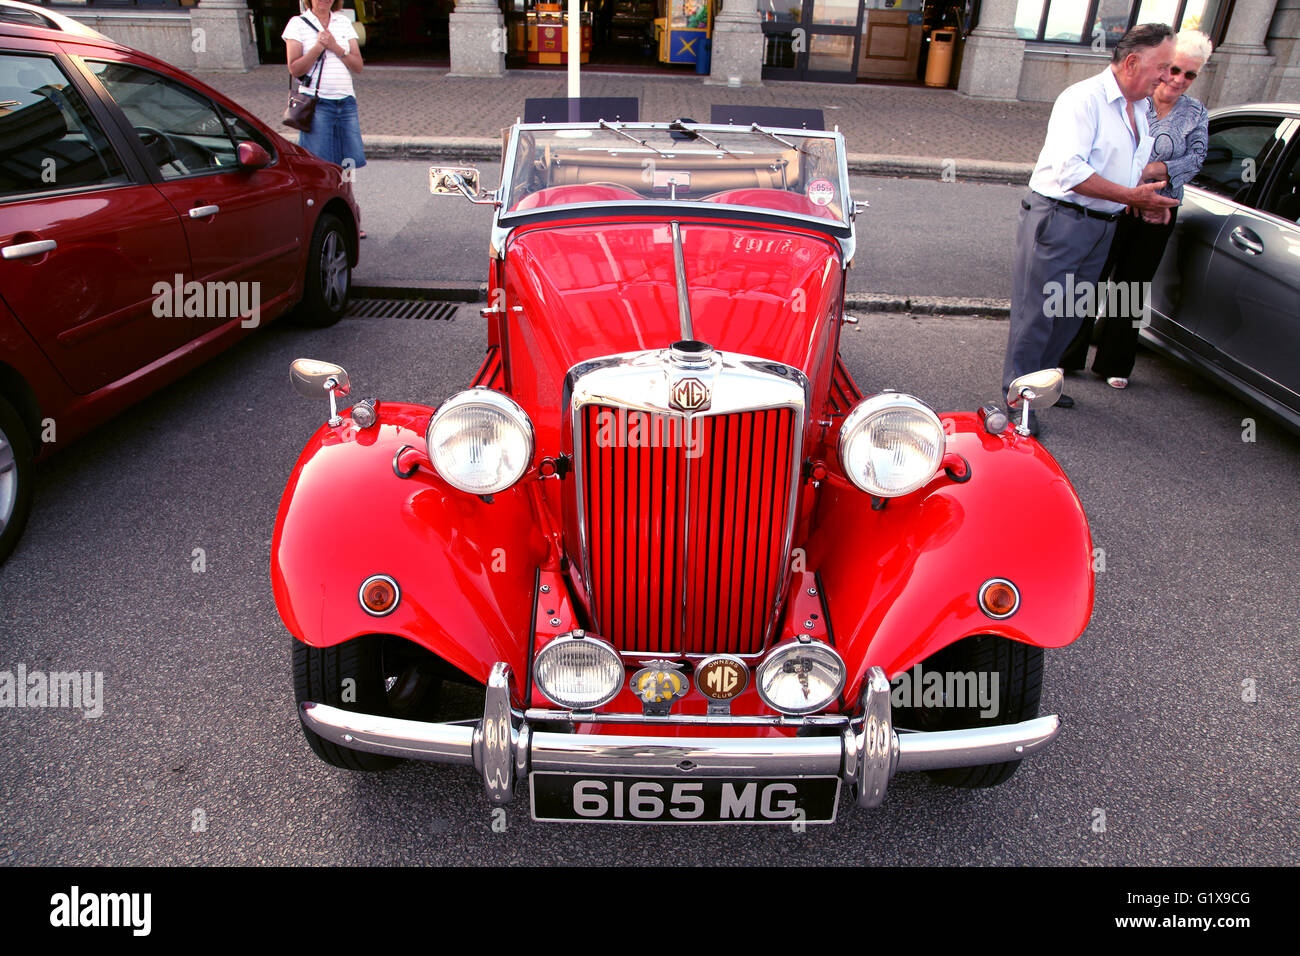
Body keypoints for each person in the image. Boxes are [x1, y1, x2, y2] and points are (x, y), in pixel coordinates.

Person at [1002, 23, 1179, 435]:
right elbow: (1072, 172)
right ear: (1133, 61)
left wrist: (1146, 201)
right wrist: (1134, 198)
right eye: (1163, 67)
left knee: (1068, 315)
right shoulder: (1083, 99)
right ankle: (1017, 402)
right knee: (1039, 316)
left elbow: (1123, 166)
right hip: (1060, 218)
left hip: (1102, 224)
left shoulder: (1137, 107)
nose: (1167, 77)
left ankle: (1040, 387)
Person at [1059, 30, 1213, 389]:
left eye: (1189, 75)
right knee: (1093, 279)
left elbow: (1196, 158)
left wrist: (1154, 171)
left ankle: (1114, 361)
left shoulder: (1195, 113)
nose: (1177, 80)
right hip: (1119, 201)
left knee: (1132, 284)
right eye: (1173, 70)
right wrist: (1134, 181)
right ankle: (1067, 354)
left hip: (1158, 208)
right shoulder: (1136, 100)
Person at [284, 0, 366, 237]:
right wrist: (318, 48)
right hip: (317, 105)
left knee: (348, 164)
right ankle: (321, 218)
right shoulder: (297, 24)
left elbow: (358, 65)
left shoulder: (342, 22)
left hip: (346, 103)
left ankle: (350, 214)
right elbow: (295, 68)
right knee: (321, 166)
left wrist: (336, 47)